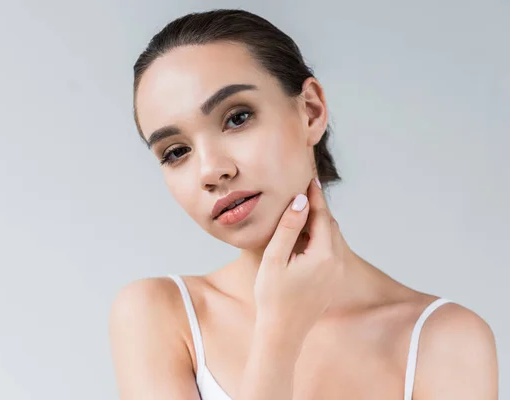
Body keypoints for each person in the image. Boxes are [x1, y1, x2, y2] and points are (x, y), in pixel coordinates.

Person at [109, 9, 498, 400]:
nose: (211, 171)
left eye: (237, 117)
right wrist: (279, 336)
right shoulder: (159, 315)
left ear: (310, 110)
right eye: (176, 152)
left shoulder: (445, 341)